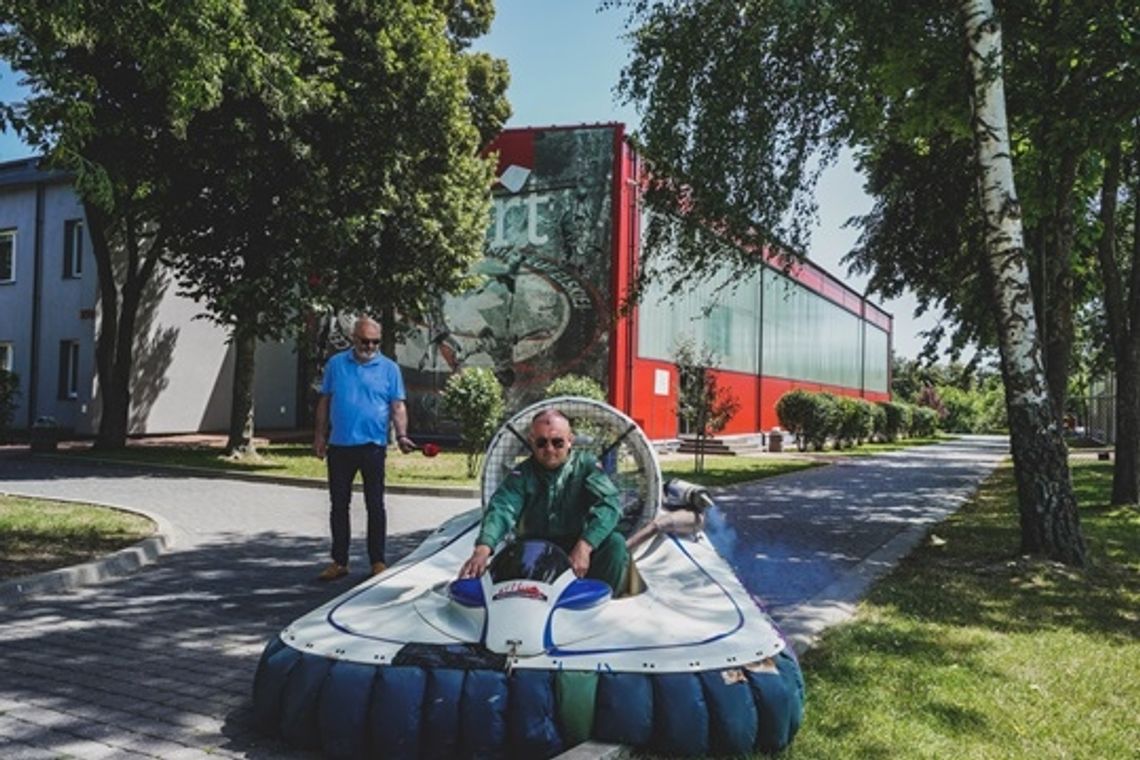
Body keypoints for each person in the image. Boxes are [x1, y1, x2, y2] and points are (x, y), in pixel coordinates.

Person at [458, 409, 628, 592]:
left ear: (570, 440)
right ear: (531, 441)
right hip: (534, 551)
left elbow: (610, 504)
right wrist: (482, 550)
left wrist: (585, 545)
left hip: (577, 545)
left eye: (557, 442)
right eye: (541, 443)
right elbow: (502, 508)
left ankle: (603, 600)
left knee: (615, 544)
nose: (549, 449)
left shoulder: (586, 466)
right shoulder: (521, 474)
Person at [313, 316, 415, 581]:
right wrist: (319, 436)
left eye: (375, 342)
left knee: (375, 505)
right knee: (339, 505)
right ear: (353, 338)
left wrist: (402, 435)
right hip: (340, 446)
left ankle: (378, 561)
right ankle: (339, 561)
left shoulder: (390, 369)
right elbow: (325, 400)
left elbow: (398, 405)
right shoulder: (336, 365)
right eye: (364, 341)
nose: (370, 346)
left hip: (373, 446)